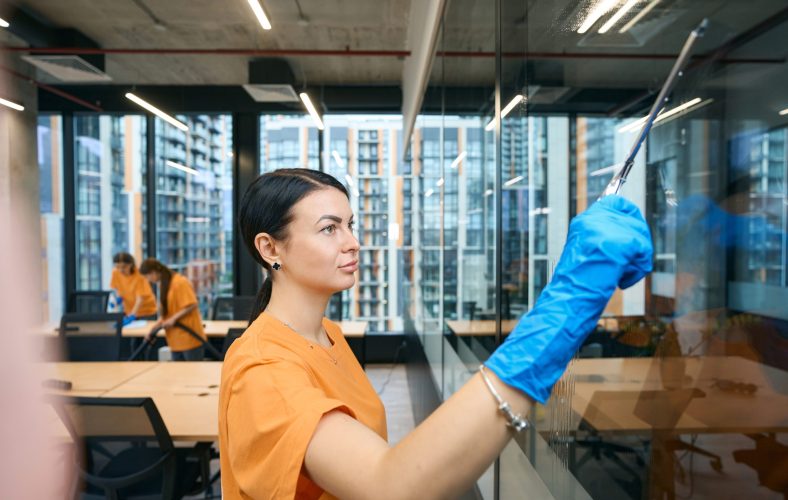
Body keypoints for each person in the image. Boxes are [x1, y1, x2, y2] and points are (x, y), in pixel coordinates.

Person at [219, 168, 653, 499]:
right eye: (330, 228)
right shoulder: (264, 368)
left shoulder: (327, 335)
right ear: (269, 248)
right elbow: (389, 486)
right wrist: (560, 313)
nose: (352, 242)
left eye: (350, 225)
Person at [139, 258, 208, 361]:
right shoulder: (164, 285)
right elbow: (167, 314)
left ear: (153, 272)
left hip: (190, 339)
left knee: (193, 374)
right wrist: (153, 329)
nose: (148, 280)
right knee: (178, 375)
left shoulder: (179, 282)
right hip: (175, 341)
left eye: (147, 277)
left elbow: (192, 304)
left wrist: (173, 319)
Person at [110, 252, 158, 325]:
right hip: (129, 311)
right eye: (117, 266)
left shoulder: (140, 275)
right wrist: (118, 298)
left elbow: (140, 298)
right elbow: (116, 287)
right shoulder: (115, 272)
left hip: (147, 312)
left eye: (124, 267)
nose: (120, 270)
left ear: (131, 264)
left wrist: (132, 315)